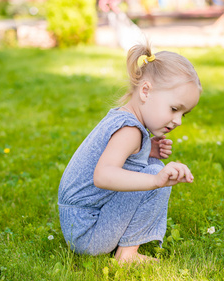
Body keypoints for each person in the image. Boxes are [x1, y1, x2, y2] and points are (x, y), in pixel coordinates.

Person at [58, 43, 202, 264]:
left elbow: (117, 161)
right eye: (174, 109)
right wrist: (155, 180)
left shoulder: (123, 120)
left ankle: (125, 248)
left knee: (153, 168)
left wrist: (148, 149)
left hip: (77, 224)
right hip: (88, 232)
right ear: (145, 91)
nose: (178, 121)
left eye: (185, 114)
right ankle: (127, 254)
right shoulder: (130, 131)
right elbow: (103, 175)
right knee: (158, 174)